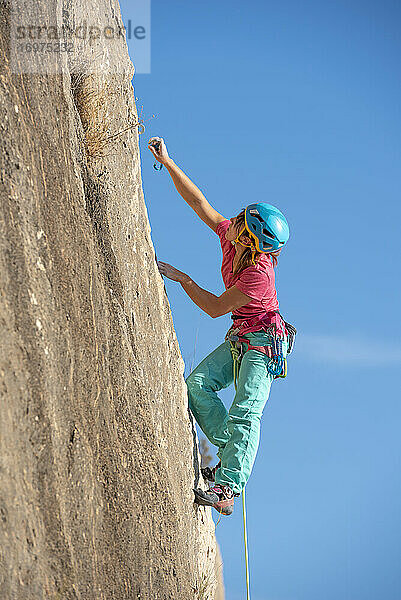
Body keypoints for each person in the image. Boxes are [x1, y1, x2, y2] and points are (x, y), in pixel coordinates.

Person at [148, 137, 291, 516]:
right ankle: (229, 457)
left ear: (251, 240)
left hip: (263, 345)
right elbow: (199, 203)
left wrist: (183, 279)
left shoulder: (259, 276)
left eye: (243, 223)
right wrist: (169, 161)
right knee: (196, 386)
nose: (235, 221)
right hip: (241, 338)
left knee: (246, 410)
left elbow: (213, 308)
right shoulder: (232, 238)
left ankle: (228, 487)